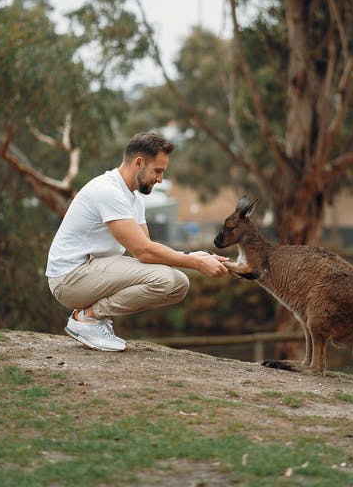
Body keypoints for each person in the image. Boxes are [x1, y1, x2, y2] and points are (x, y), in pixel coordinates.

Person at [45, 131, 229, 351]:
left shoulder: (134, 198)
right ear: (139, 163)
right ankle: (87, 319)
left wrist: (193, 256)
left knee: (178, 284)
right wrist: (196, 264)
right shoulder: (108, 191)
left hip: (92, 271)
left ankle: (91, 318)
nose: (160, 179)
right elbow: (144, 252)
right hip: (69, 278)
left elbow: (148, 249)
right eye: (158, 171)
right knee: (163, 279)